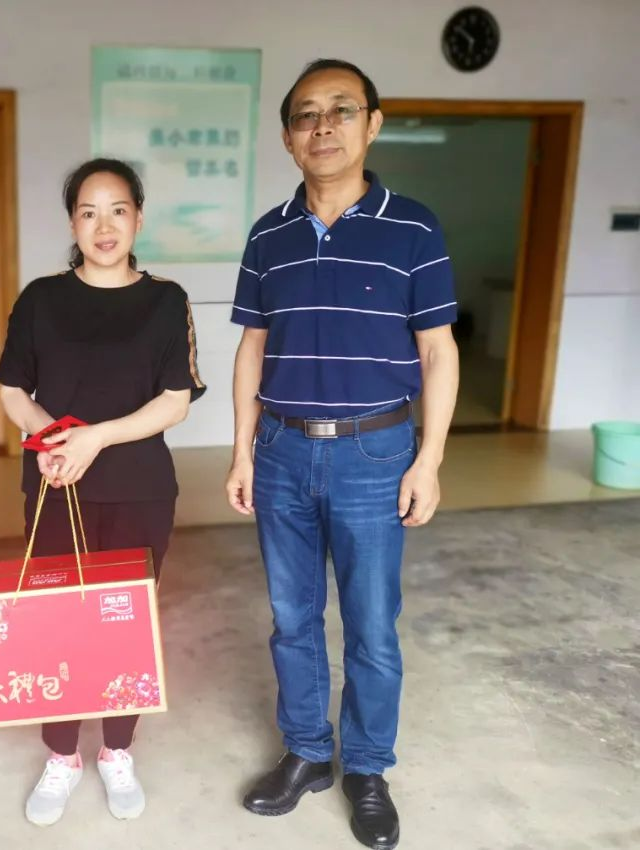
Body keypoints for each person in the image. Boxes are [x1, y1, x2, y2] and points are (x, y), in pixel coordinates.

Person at [226, 60, 460, 849]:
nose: (322, 126)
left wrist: (428, 460)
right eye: (305, 114)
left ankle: (366, 767)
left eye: (341, 110)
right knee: (292, 618)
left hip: (375, 453)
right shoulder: (269, 234)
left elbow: (438, 351)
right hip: (282, 450)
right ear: (288, 136)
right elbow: (252, 349)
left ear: (373, 125)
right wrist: (242, 452)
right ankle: (306, 752)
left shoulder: (414, 228)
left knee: (371, 626)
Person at [0, 158, 205, 826]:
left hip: (139, 490)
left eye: (118, 210)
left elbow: (175, 401)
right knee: (57, 623)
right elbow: (11, 389)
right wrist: (54, 440)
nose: (104, 225)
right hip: (56, 486)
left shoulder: (166, 300)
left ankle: (116, 748)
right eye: (89, 212)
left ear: (138, 218)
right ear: (72, 224)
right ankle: (62, 755)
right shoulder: (41, 299)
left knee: (124, 625)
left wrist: (95, 439)